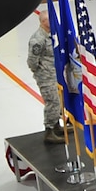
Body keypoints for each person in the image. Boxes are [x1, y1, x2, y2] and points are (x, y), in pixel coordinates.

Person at [26, 10, 66, 144]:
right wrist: (42, 72)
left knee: (58, 101)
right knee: (52, 102)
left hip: (55, 73)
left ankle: (56, 126)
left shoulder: (52, 34)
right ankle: (49, 131)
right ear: (43, 22)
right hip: (46, 76)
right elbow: (32, 62)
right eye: (50, 19)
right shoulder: (38, 39)